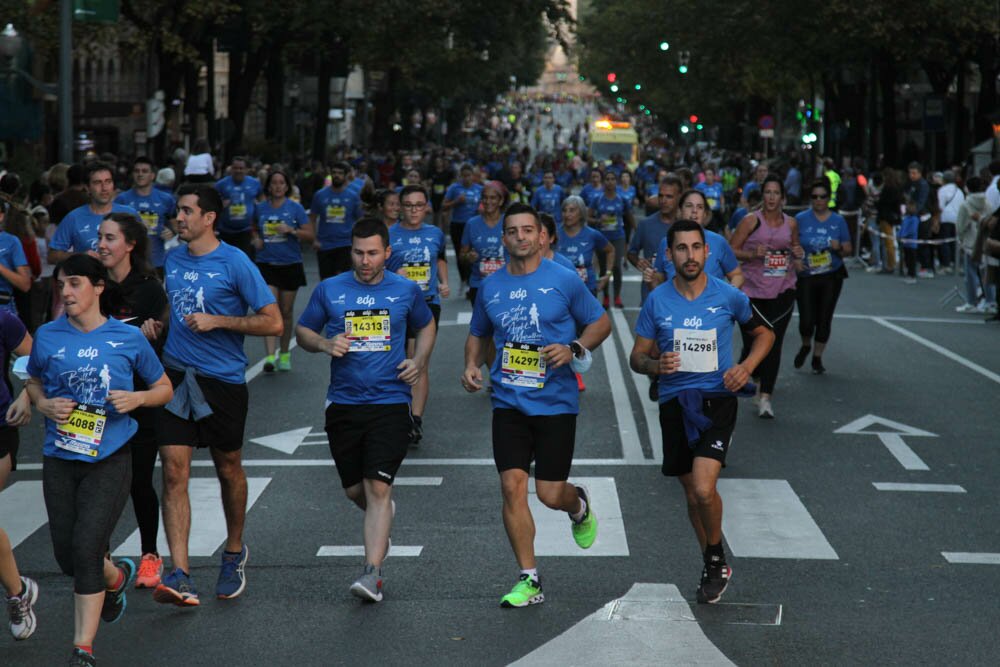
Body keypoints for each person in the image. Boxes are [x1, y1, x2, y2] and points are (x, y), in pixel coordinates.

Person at [461, 202, 611, 608]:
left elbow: (600, 322)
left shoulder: (563, 279)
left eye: (528, 230)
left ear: (541, 236)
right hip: (508, 401)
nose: (521, 237)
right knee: (512, 487)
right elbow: (479, 332)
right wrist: (472, 364)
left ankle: (577, 504)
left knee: (548, 494)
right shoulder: (491, 287)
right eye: (513, 231)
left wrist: (574, 346)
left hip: (556, 402)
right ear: (504, 238)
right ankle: (529, 578)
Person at [26, 254, 172, 666]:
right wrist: (43, 404)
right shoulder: (49, 336)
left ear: (98, 287)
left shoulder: (127, 339)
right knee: (67, 557)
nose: (66, 292)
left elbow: (164, 388)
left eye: (74, 283)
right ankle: (118, 577)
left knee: (88, 547)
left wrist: (138, 398)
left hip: (109, 456)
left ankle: (82, 649)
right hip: (60, 455)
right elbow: (34, 380)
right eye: (61, 285)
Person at [628, 218, 774, 605]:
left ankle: (715, 558)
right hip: (676, 403)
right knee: (693, 495)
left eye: (696, 248)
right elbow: (637, 358)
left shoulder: (728, 296)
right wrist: (657, 366)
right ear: (669, 254)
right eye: (681, 248)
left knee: (705, 487)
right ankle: (713, 557)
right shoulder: (657, 300)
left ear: (707, 252)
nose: (690, 256)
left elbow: (765, 333)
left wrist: (745, 368)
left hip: (717, 401)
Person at [151, 184, 282, 607]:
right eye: (177, 211)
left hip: (222, 380)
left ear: (209, 218)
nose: (179, 218)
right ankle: (181, 573)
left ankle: (233, 550)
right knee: (174, 471)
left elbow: (273, 323)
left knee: (229, 468)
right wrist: (160, 325)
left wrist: (219, 321)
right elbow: (177, 308)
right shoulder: (172, 258)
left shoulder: (236, 262)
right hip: (175, 376)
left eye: (187, 211)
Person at [296, 217, 436, 602]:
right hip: (343, 403)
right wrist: (324, 345)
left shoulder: (406, 290)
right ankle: (382, 515)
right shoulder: (330, 289)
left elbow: (426, 326)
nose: (365, 260)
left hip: (390, 401)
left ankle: (372, 573)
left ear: (387, 253)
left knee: (377, 485)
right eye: (358, 252)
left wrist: (420, 360)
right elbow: (303, 331)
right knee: (355, 489)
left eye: (373, 252)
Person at [96, 213, 170, 589]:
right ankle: (102, 557)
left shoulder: (150, 289)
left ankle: (149, 556)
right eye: (100, 237)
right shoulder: (90, 283)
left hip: (139, 398)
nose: (102, 244)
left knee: (139, 480)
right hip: (96, 401)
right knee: (99, 483)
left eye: (110, 238)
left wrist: (150, 336)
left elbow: (159, 348)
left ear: (130, 245)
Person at [728, 175, 803, 418]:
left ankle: (765, 398)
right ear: (763, 196)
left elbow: (796, 250)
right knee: (753, 344)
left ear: (783, 197)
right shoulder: (751, 221)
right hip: (753, 291)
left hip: (783, 288)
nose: (771, 197)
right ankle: (748, 374)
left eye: (776, 193)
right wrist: (751, 253)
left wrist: (798, 253)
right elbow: (730, 251)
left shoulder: (790, 224)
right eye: (767, 193)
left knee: (774, 343)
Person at [388, 185, 448, 447]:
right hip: (397, 306)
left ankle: (415, 420)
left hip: (427, 303)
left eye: (419, 205)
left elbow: (441, 258)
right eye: (409, 205)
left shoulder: (435, 233)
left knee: (419, 360)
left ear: (426, 207)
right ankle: (397, 411)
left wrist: (444, 281)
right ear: (400, 207)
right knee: (399, 361)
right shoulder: (388, 235)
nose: (414, 210)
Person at [251, 169, 314, 373]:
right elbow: (253, 229)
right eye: (274, 183)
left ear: (287, 187)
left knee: (286, 312)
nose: (277, 186)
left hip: (290, 264)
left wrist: (292, 231)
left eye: (281, 183)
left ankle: (284, 353)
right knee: (269, 309)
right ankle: (270, 356)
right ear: (268, 186)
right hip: (267, 264)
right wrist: (257, 239)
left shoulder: (295, 208)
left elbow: (310, 235)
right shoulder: (260, 209)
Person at [0, 306, 35, 640]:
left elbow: (39, 360)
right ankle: (18, 588)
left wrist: (27, 395)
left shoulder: (2, 318)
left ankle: (17, 594)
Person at [792, 180, 852, 374]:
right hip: (807, 274)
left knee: (824, 318)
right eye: (815, 197)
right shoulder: (800, 219)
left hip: (830, 274)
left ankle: (817, 357)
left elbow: (848, 249)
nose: (818, 200)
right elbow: (790, 243)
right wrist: (795, 260)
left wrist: (839, 248)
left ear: (828, 199)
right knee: (807, 319)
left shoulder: (838, 221)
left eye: (822, 197)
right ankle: (806, 344)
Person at [49, 162, 138, 265]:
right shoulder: (74, 217)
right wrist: (80, 256)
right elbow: (52, 256)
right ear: (87, 188)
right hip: (88, 279)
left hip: (123, 280)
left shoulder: (129, 214)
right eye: (97, 183)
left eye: (108, 182)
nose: (104, 188)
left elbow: (142, 249)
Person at [114, 157, 178, 273]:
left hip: (157, 261)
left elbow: (176, 223)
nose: (140, 174)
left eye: (144, 171)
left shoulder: (166, 199)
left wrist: (172, 231)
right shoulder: (121, 199)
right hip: (128, 261)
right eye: (137, 171)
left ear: (152, 175)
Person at [628, 174, 681, 306]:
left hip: (680, 294)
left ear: (679, 197)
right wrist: (638, 262)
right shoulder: (645, 225)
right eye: (661, 195)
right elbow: (631, 253)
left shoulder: (687, 226)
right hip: (650, 293)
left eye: (669, 196)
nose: (663, 200)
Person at [310, 161, 364, 280]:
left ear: (346, 176)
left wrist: (358, 242)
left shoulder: (353, 196)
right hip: (324, 245)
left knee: (343, 280)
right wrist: (314, 239)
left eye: (340, 173)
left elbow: (360, 220)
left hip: (345, 244)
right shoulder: (320, 195)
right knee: (326, 282)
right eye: (334, 173)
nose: (336, 176)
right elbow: (312, 218)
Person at [590, 170, 633, 308]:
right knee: (603, 268)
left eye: (613, 179)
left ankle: (618, 297)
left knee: (616, 267)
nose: (610, 181)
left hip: (618, 237)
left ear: (617, 182)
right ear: (604, 182)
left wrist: (638, 230)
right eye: (607, 179)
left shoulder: (622, 199)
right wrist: (598, 220)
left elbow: (630, 217)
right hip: (603, 238)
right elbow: (587, 217)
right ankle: (606, 298)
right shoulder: (598, 199)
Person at [461, 181, 508, 305]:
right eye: (485, 198)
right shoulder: (472, 224)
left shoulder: (509, 222)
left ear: (501, 201)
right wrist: (468, 257)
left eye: (493, 198)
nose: (488, 201)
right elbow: (462, 255)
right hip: (479, 284)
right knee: (481, 324)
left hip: (506, 283)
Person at [556, 195, 613, 297]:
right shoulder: (554, 234)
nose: (567, 214)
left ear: (581, 213)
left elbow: (611, 250)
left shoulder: (592, 234)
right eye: (564, 210)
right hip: (560, 289)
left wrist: (607, 275)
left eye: (572, 210)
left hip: (587, 289)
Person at [442, 165, 484, 294]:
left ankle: (473, 279)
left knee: (475, 253)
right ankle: (464, 279)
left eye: (469, 175)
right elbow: (444, 205)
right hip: (458, 225)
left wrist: (481, 209)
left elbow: (485, 204)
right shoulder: (454, 188)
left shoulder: (479, 189)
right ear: (460, 176)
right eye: (464, 175)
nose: (467, 178)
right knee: (461, 254)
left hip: (475, 225)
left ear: (473, 176)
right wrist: (456, 201)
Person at [956, 177, 992, 312]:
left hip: (970, 241)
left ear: (968, 188)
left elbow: (960, 226)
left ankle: (971, 301)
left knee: (970, 273)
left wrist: (961, 238)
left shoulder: (965, 204)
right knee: (986, 273)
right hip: (984, 240)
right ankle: (990, 300)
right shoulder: (987, 203)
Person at [215, 157, 262, 258]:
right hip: (225, 231)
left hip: (246, 231)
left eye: (241, 168)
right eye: (235, 168)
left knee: (244, 261)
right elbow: (210, 204)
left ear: (246, 170)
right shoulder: (221, 184)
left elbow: (262, 200)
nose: (238, 171)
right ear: (231, 169)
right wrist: (220, 204)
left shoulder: (255, 184)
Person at [876, 168, 904, 274]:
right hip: (894, 216)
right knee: (892, 241)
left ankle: (890, 265)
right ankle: (893, 263)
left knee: (888, 242)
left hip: (885, 217)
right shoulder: (898, 187)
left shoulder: (887, 188)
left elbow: (882, 203)